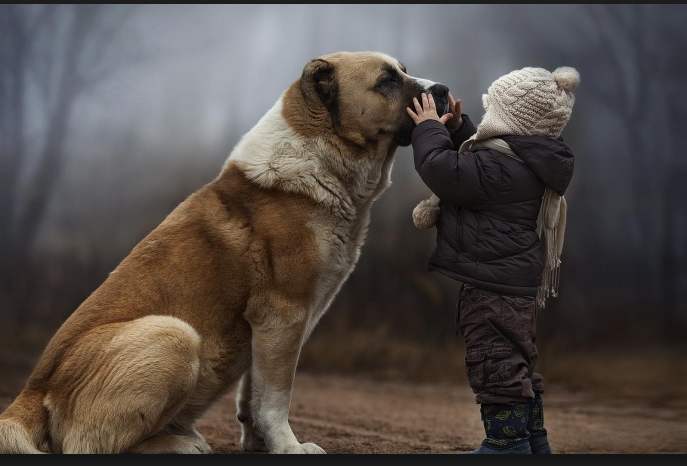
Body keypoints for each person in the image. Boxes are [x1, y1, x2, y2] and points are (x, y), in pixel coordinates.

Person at [406, 66, 580, 454]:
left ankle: (505, 447)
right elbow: (482, 165)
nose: (487, 118)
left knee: (495, 365)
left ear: (509, 119)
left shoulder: (497, 169)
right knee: (516, 365)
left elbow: (442, 168)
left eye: (492, 110)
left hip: (491, 290)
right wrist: (455, 130)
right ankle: (533, 442)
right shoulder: (525, 161)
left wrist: (429, 128)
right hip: (513, 285)